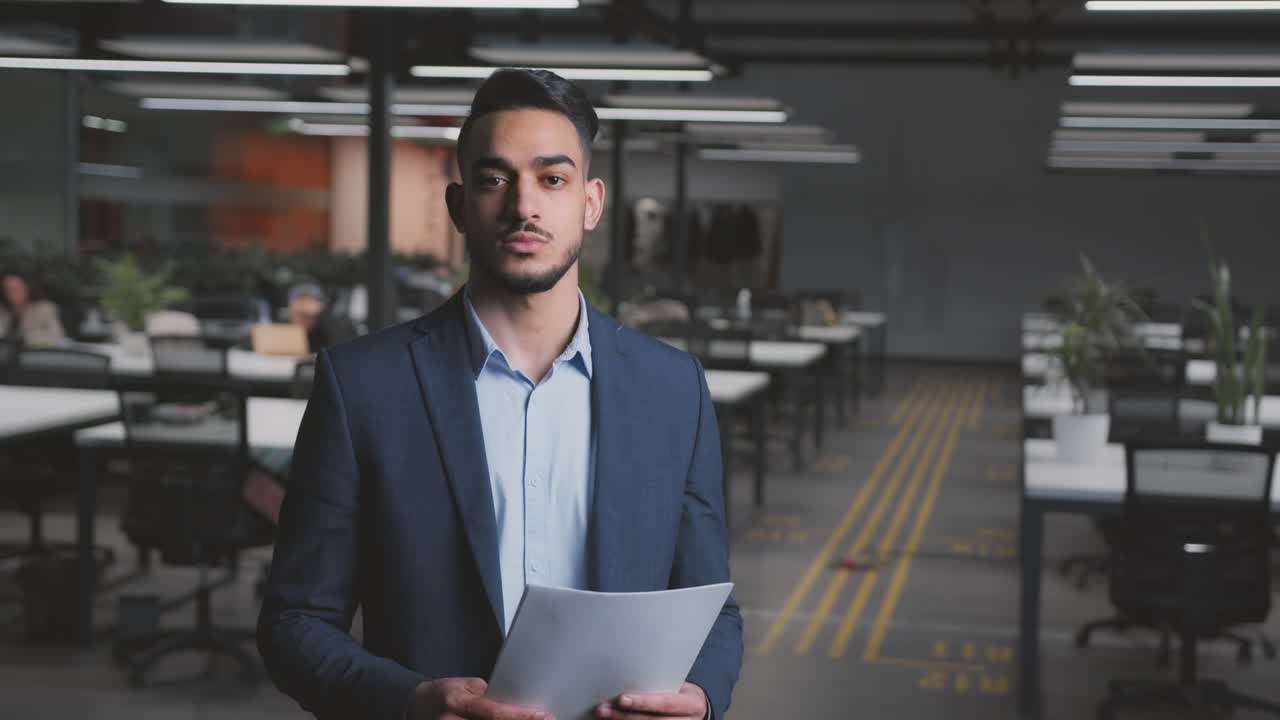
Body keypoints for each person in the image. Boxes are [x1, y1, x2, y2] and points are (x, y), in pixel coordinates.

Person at [257, 68, 742, 720]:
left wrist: (702, 698)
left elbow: (713, 606)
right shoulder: (364, 386)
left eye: (552, 178)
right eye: (494, 180)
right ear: (459, 205)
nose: (523, 206)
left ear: (591, 202)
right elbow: (294, 623)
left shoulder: (672, 388)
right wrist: (408, 702)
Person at [0, 272, 65, 346]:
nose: (11, 293)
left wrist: (25, 339)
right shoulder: (2, 311)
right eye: (7, 289)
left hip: (35, 354)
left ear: (27, 288)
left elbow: (57, 336)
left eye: (15, 288)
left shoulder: (45, 309)